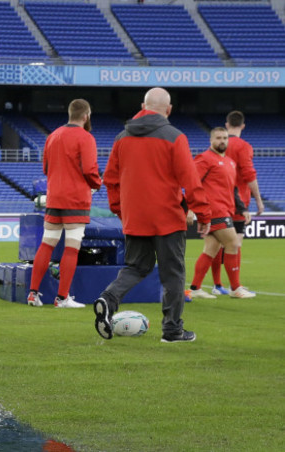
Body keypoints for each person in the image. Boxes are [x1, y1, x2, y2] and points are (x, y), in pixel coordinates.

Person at [94, 87, 211, 343]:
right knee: (173, 274)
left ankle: (109, 298)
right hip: (168, 218)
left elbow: (110, 180)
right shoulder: (175, 137)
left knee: (135, 267)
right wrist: (203, 214)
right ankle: (172, 331)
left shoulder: (121, 137)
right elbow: (191, 181)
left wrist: (120, 210)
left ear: (142, 106)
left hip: (135, 217)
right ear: (168, 110)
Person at [26, 99, 101, 308]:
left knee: (47, 243)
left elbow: (45, 168)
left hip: (54, 196)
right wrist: (97, 183)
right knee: (72, 247)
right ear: (86, 116)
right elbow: (89, 169)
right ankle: (62, 297)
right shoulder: (85, 138)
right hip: (75, 198)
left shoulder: (53, 136)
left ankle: (33, 294)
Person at [186, 128, 255, 299]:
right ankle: (235, 288)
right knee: (233, 243)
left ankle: (195, 288)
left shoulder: (230, 162)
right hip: (213, 210)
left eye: (225, 138)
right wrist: (190, 208)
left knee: (211, 249)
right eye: (218, 138)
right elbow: (193, 183)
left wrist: (242, 209)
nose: (222, 141)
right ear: (211, 140)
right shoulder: (204, 159)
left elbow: (232, 190)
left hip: (227, 210)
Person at [208, 111, 264, 295]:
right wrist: (258, 200)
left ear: (227, 124)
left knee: (217, 243)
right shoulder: (243, 146)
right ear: (243, 126)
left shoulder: (219, 145)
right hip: (238, 202)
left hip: (218, 201)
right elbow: (249, 175)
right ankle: (235, 286)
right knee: (235, 242)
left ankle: (218, 285)